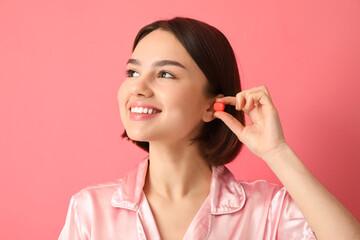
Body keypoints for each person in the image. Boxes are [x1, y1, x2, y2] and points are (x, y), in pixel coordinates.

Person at [58, 17, 360, 240]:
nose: (138, 87)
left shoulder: (267, 211)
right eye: (133, 71)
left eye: (164, 73)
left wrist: (276, 152)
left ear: (211, 104)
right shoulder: (90, 211)